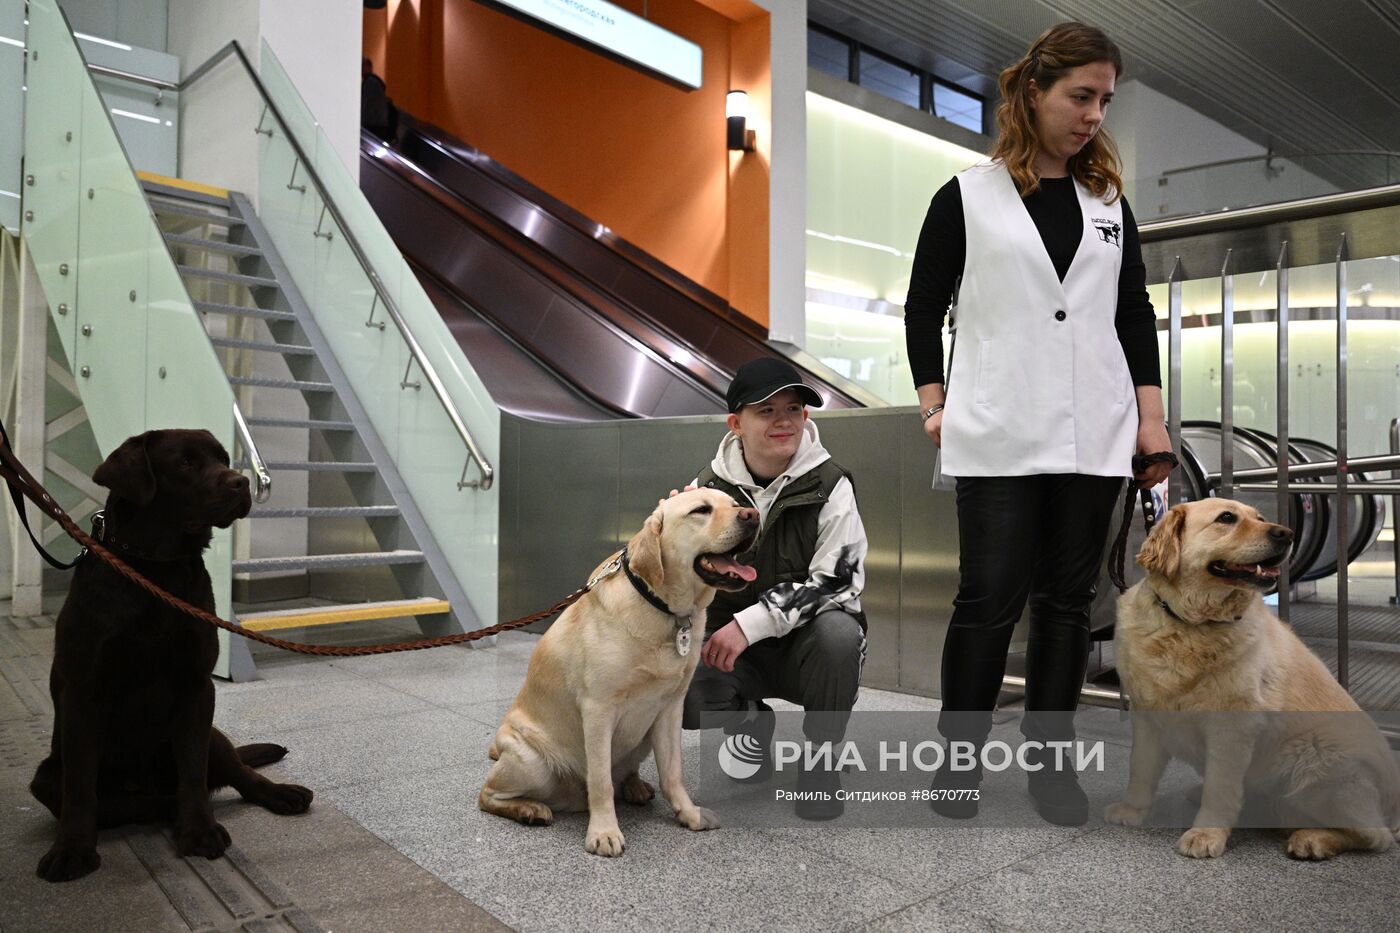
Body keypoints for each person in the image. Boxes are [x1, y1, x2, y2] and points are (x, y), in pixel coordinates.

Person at [903, 22, 1172, 825]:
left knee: (1066, 602)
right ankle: (957, 765)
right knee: (986, 597)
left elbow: (1132, 313)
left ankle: (1053, 771)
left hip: (1094, 428)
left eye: (1104, 100)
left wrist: (1150, 421)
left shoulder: (1108, 203)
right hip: (993, 427)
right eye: (1080, 96)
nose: (1094, 114)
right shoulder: (966, 194)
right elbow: (923, 305)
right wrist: (932, 403)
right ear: (1033, 92)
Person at [681, 358, 869, 821]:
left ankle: (822, 760)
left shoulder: (831, 485)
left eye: (794, 408)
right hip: (729, 649)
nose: (784, 420)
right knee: (681, 691)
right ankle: (751, 723)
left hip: (803, 649)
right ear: (736, 424)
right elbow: (679, 576)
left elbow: (838, 579)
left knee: (840, 634)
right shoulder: (705, 490)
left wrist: (752, 624)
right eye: (765, 410)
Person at [361, 57, 398, 143]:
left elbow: (367, 105)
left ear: (369, 67)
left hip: (373, 124)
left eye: (363, 66)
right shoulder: (374, 82)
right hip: (378, 123)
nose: (361, 69)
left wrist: (362, 121)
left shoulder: (370, 82)